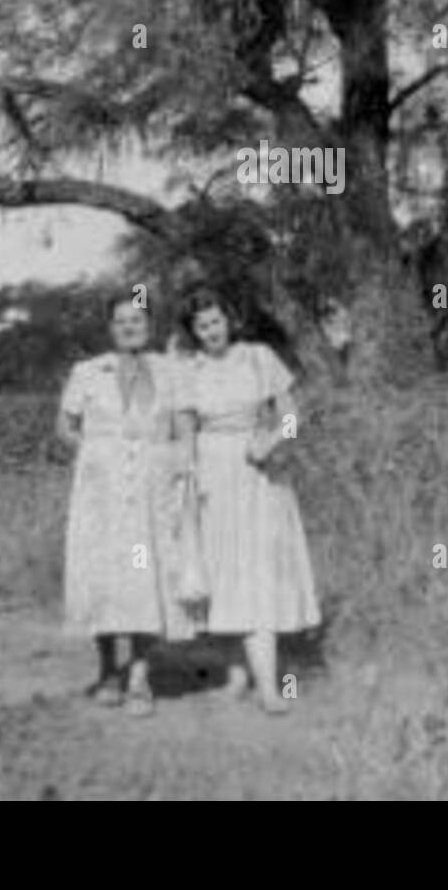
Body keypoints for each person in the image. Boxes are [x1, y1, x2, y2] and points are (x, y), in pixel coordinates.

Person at [175, 288, 320, 715]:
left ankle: (270, 687)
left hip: (258, 474)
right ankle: (238, 674)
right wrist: (187, 483)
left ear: (229, 321)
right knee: (225, 572)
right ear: (193, 333)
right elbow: (184, 434)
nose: (211, 331)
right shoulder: (188, 371)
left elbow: (295, 417)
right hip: (212, 476)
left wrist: (272, 440)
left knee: (258, 570)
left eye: (216, 322)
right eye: (202, 326)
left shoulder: (259, 357)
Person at [57, 291, 196, 717]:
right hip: (101, 497)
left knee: (142, 574)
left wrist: (178, 469)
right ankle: (107, 671)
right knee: (103, 576)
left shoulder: (171, 371)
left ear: (149, 326)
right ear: (110, 328)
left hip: (150, 496)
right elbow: (64, 427)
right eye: (120, 321)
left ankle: (139, 676)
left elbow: (185, 430)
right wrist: (93, 456)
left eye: (136, 319)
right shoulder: (87, 371)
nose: (129, 327)